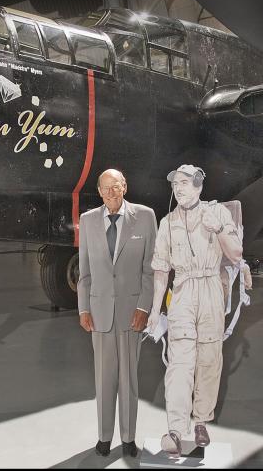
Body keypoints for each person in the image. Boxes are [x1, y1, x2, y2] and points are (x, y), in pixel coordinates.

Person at [147, 164, 243, 457]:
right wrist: (154, 311)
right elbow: (162, 270)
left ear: (199, 185)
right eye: (175, 184)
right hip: (184, 291)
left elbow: (236, 253)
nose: (178, 188)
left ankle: (201, 421)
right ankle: (175, 429)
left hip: (211, 286)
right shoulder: (168, 223)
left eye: (185, 183)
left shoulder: (218, 214)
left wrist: (219, 231)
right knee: (179, 363)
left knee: (209, 357)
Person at [77, 168, 158, 458]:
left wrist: (144, 307)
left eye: (116, 186)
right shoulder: (87, 221)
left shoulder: (146, 216)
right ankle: (103, 436)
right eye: (105, 188)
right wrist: (83, 307)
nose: (111, 192)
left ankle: (127, 438)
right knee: (103, 377)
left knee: (128, 379)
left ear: (125, 186)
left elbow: (151, 269)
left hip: (130, 312)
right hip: (98, 312)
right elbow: (84, 271)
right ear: (98, 191)